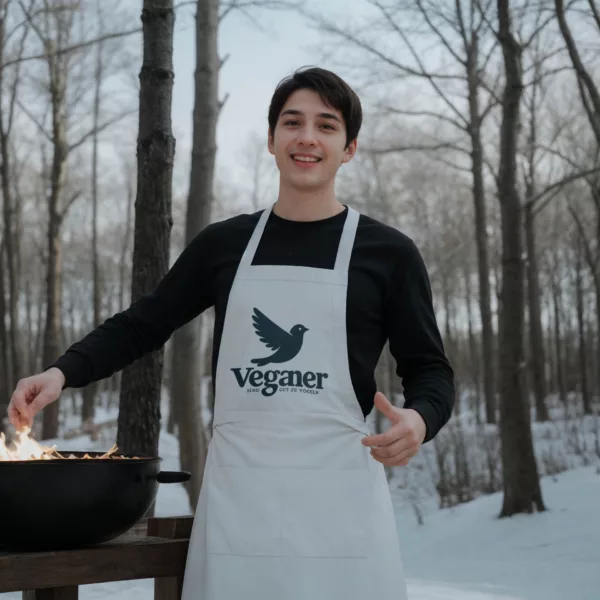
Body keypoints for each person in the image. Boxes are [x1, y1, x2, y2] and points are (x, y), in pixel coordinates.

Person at [7, 66, 454, 599]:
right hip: (239, 507)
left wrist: (421, 420)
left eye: (326, 126)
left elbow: (430, 370)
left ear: (349, 147)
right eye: (292, 122)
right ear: (271, 140)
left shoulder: (389, 253)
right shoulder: (225, 245)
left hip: (343, 512)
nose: (307, 137)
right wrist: (63, 371)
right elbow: (143, 324)